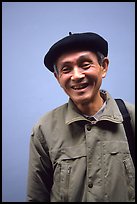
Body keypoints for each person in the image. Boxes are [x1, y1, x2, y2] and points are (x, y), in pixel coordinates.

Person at [27, 32, 135, 202]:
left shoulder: (131, 118)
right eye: (66, 69)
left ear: (103, 66)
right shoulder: (44, 129)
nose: (76, 76)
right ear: (58, 78)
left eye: (85, 65)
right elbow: (36, 197)